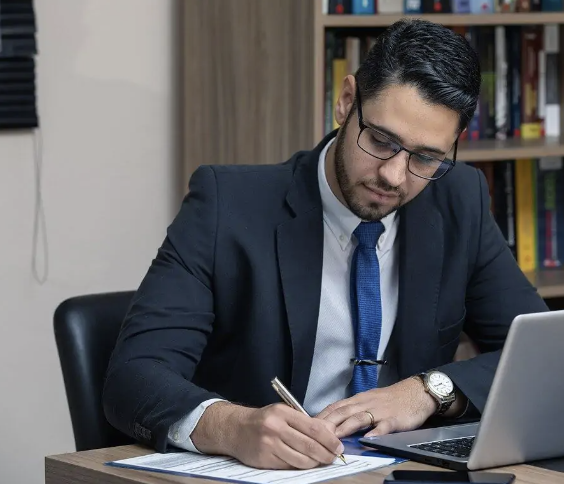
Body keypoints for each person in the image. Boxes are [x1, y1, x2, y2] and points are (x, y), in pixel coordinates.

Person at [102, 18, 548, 471]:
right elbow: (132, 379)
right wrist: (233, 427)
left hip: (394, 474)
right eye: (381, 141)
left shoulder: (459, 201)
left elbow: (547, 359)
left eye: (426, 157)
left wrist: (429, 392)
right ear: (346, 101)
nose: (394, 176)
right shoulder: (227, 204)